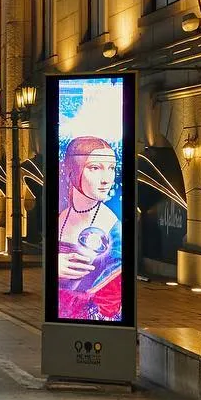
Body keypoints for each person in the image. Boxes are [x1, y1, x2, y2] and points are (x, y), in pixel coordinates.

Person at [55, 135, 122, 321]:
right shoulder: (61, 216)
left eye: (111, 168)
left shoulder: (113, 230)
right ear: (72, 170)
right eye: (95, 168)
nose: (106, 179)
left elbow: (110, 302)